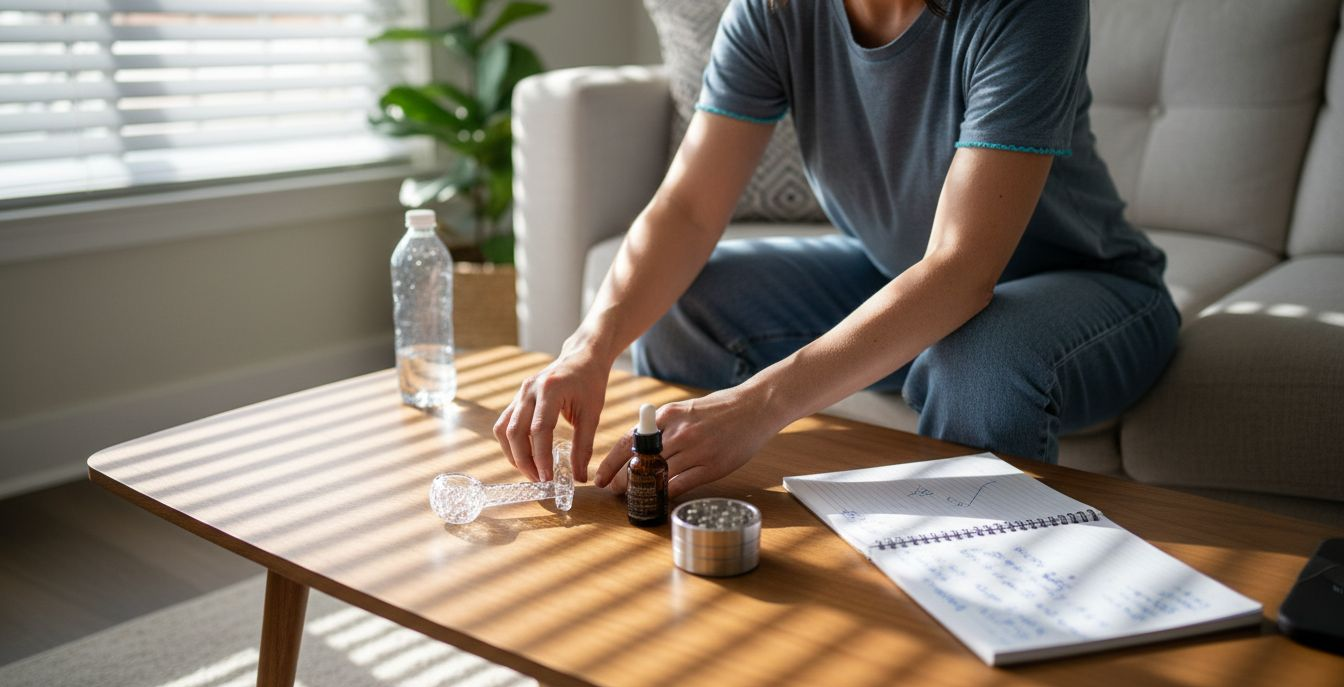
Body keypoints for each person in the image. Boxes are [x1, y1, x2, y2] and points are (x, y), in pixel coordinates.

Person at [494, 0, 1180, 499]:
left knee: (977, 360)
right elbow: (688, 208)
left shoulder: (1027, 10)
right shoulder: (773, 11)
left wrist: (759, 404)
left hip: (1090, 289)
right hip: (898, 273)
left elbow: (962, 271)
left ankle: (964, 592)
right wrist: (588, 346)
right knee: (687, 307)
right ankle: (738, 528)